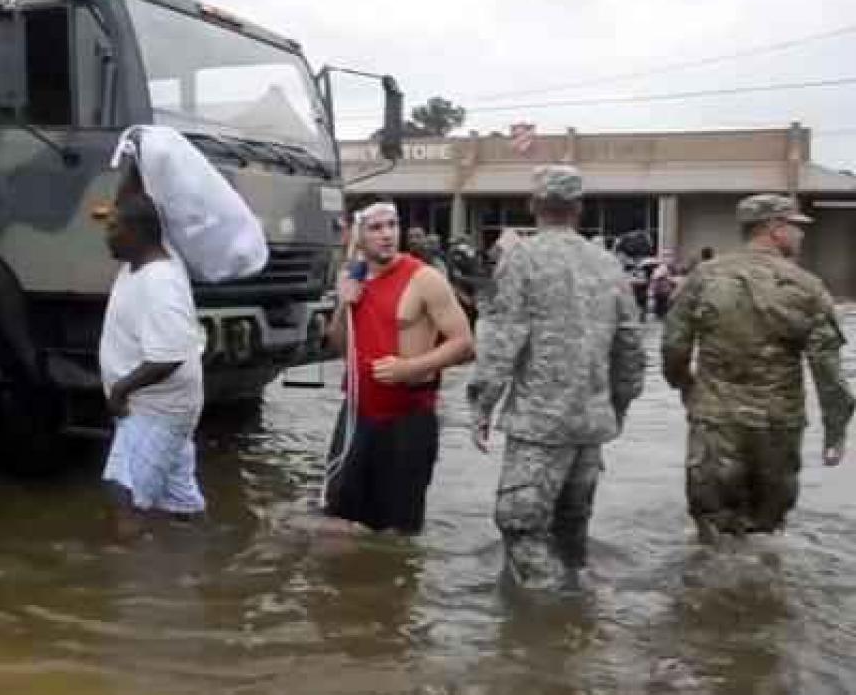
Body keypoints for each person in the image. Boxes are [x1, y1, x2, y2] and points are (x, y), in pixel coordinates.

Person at [468, 165, 646, 590]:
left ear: (532, 206)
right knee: (571, 538)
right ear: (579, 208)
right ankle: (578, 629)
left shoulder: (520, 260)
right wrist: (616, 407)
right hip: (589, 427)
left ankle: (542, 636)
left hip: (538, 427)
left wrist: (481, 408)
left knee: (522, 528)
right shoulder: (608, 264)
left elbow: (501, 341)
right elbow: (631, 349)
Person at [661, 193, 853, 545]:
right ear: (774, 228)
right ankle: (763, 595)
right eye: (796, 227)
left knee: (712, 532)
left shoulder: (704, 277)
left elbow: (674, 346)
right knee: (767, 534)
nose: (801, 235)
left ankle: (704, 595)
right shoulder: (806, 285)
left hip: (716, 424)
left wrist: (687, 387)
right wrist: (835, 431)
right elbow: (827, 371)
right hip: (777, 427)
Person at [323, 199, 474, 535]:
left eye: (392, 225)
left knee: (399, 532)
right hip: (356, 416)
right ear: (357, 234)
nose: (387, 235)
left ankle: (398, 585)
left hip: (408, 419)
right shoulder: (351, 277)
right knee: (340, 520)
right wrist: (342, 306)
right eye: (376, 228)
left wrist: (411, 368)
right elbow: (339, 347)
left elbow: (464, 343)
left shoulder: (425, 279)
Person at [98, 169, 207, 539]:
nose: (106, 236)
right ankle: (197, 567)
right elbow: (131, 204)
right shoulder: (142, 263)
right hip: (164, 408)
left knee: (124, 492)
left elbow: (169, 356)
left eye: (113, 228)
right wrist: (132, 158)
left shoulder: (160, 282)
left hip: (154, 408)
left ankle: (133, 587)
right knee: (178, 506)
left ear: (136, 233)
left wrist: (120, 390)